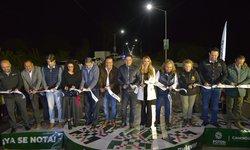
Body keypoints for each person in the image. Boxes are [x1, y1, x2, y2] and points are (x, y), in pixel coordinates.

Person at [198, 47, 227, 127]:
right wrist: (204, 82)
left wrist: (220, 82)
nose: (214, 57)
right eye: (212, 55)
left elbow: (225, 73)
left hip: (217, 88)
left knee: (215, 105)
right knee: (205, 105)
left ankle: (214, 121)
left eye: (216, 55)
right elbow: (199, 73)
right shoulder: (203, 62)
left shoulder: (221, 62)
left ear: (218, 55)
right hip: (206, 88)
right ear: (209, 54)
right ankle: (205, 120)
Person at [0, 60, 30, 133]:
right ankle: (13, 126)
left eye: (7, 67)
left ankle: (27, 124)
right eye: (3, 67)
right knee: (11, 112)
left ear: (10, 65)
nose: (5, 69)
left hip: (18, 94)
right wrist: (5, 90)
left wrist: (17, 88)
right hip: (8, 96)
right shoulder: (0, 74)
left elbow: (20, 82)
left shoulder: (16, 71)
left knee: (23, 110)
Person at [224, 55, 250, 129]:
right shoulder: (229, 67)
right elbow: (224, 77)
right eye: (238, 62)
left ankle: (237, 122)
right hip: (230, 91)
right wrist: (230, 83)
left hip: (240, 92)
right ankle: (229, 122)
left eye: (241, 63)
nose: (239, 64)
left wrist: (242, 83)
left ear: (243, 62)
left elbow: (249, 78)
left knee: (238, 108)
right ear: (235, 60)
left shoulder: (247, 69)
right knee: (229, 107)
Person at [118, 55, 141, 128]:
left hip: (133, 91)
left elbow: (139, 79)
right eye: (126, 60)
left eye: (129, 60)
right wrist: (122, 85)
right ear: (124, 60)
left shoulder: (136, 68)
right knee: (123, 108)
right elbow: (118, 78)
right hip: (125, 91)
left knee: (133, 108)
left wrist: (134, 85)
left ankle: (131, 122)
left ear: (132, 60)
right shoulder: (121, 68)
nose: (128, 61)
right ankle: (123, 122)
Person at [42, 54, 63, 129]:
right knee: (50, 107)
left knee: (59, 107)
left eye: (50, 62)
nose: (49, 63)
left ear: (54, 61)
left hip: (57, 90)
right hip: (48, 91)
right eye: (48, 62)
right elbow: (43, 79)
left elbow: (60, 79)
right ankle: (52, 122)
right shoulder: (44, 68)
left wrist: (56, 87)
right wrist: (45, 86)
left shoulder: (59, 68)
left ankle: (60, 121)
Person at [155, 59, 178, 128]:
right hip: (161, 92)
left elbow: (176, 82)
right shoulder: (159, 72)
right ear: (164, 66)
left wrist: (172, 86)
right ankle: (157, 120)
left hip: (169, 93)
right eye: (167, 67)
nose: (169, 68)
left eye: (170, 67)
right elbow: (156, 81)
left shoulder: (174, 74)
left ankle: (167, 121)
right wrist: (162, 86)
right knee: (158, 107)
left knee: (168, 107)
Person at [21, 60, 43, 129]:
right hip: (32, 92)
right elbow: (25, 84)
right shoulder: (23, 73)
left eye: (29, 66)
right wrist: (28, 91)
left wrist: (36, 89)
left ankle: (47, 119)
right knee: (35, 108)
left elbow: (40, 80)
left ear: (32, 64)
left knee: (45, 106)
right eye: (26, 66)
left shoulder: (38, 69)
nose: (28, 67)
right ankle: (38, 122)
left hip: (41, 89)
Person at [178, 59, 201, 126]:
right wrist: (188, 85)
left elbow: (198, 81)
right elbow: (180, 82)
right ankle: (185, 118)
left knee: (190, 106)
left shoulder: (195, 72)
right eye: (186, 66)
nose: (187, 68)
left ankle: (189, 118)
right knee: (185, 106)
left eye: (189, 66)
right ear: (184, 66)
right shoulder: (181, 73)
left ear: (191, 66)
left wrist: (194, 85)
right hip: (183, 91)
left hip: (193, 92)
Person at [99, 56, 119, 128]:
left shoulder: (116, 70)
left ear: (112, 63)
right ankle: (107, 120)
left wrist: (111, 86)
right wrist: (101, 87)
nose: (108, 64)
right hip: (105, 91)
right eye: (107, 62)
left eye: (110, 62)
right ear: (105, 63)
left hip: (113, 91)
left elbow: (117, 81)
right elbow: (100, 79)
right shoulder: (101, 70)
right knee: (105, 107)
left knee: (114, 107)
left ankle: (113, 120)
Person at [62, 60, 82, 130]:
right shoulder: (64, 73)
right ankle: (69, 121)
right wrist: (65, 86)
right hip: (67, 92)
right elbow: (63, 83)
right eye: (69, 67)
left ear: (74, 67)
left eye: (71, 67)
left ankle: (76, 120)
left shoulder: (78, 73)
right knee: (68, 107)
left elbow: (79, 82)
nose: (70, 68)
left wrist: (75, 86)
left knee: (77, 106)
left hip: (76, 92)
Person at [137, 56, 156, 128]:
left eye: (147, 61)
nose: (146, 63)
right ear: (142, 61)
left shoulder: (152, 69)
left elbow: (154, 80)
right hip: (142, 91)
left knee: (149, 108)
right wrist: (140, 83)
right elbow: (137, 79)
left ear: (149, 62)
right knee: (143, 107)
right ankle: (143, 121)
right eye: (145, 61)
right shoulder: (140, 69)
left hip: (149, 91)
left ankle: (149, 123)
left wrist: (145, 82)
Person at [80, 57, 100, 127]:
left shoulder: (96, 68)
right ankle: (88, 120)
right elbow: (83, 79)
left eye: (89, 65)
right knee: (87, 105)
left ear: (92, 63)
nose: (87, 67)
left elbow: (95, 79)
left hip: (94, 89)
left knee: (95, 106)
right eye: (86, 65)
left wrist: (90, 88)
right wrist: (81, 86)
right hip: (86, 90)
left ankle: (95, 121)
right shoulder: (83, 68)